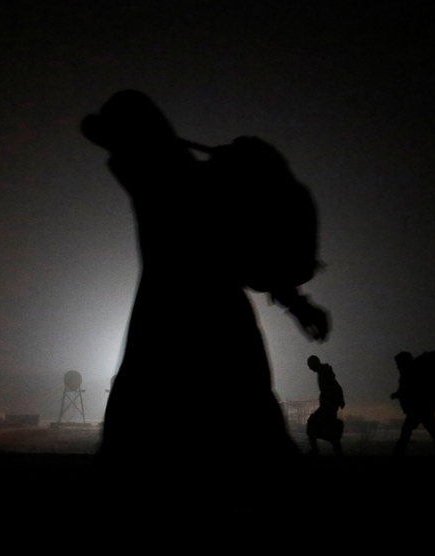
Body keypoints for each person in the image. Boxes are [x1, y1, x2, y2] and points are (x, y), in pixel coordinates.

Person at [81, 91, 329, 476]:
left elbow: (126, 119)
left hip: (164, 333)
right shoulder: (198, 187)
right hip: (223, 335)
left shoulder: (172, 179)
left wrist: (114, 129)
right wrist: (297, 303)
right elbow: (256, 262)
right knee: (253, 443)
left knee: (137, 451)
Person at [391, 351, 435, 456]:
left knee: (406, 433)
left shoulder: (410, 373)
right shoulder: (414, 372)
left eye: (398, 362)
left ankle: (397, 453)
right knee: (434, 433)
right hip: (424, 409)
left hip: (418, 409)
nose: (397, 365)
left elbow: (411, 389)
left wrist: (398, 394)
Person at [305, 355, 345, 456]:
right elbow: (335, 386)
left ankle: (315, 450)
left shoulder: (324, 372)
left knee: (312, 423)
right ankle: (337, 452)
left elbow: (334, 386)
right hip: (329, 404)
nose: (310, 368)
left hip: (328, 405)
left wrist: (339, 399)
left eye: (310, 366)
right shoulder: (323, 371)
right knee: (329, 429)